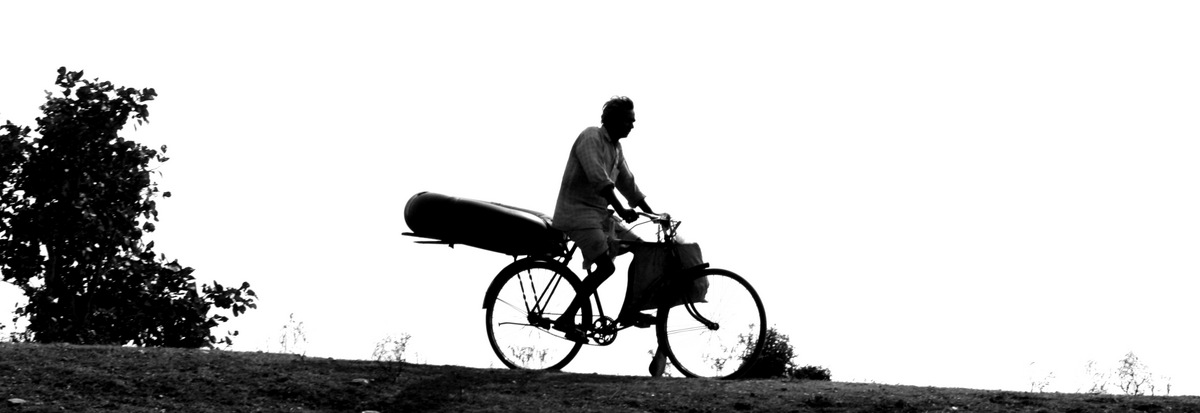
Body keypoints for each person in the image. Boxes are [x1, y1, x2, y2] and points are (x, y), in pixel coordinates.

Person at [550, 96, 668, 376]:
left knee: (643, 249)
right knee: (606, 267)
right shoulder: (590, 137)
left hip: (600, 215)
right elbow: (599, 180)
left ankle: (629, 311)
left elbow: (628, 184)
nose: (633, 125)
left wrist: (653, 214)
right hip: (578, 214)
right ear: (614, 120)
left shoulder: (616, 147)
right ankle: (567, 318)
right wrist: (622, 210)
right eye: (629, 120)